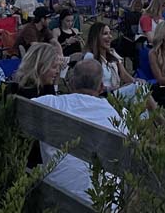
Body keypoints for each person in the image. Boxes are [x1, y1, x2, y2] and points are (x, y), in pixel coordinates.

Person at [34, 60, 126, 206]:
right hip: (103, 204)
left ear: (71, 84)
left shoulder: (48, 104)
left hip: (56, 199)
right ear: (101, 87)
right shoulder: (119, 116)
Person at [83, 22, 152, 105]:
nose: (110, 37)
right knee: (138, 89)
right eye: (105, 34)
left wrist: (135, 80)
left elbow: (124, 75)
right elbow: (91, 86)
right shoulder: (90, 57)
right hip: (103, 96)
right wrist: (113, 88)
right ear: (96, 37)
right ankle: (157, 113)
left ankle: (151, 112)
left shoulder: (112, 54)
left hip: (116, 92)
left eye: (110, 33)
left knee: (140, 86)